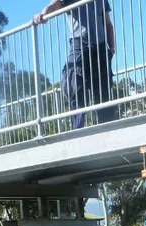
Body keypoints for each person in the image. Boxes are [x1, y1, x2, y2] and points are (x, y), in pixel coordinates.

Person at [34, 0, 118, 129]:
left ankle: (107, 126)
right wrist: (43, 15)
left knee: (103, 89)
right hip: (80, 44)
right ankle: (77, 128)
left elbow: (107, 24)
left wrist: (111, 48)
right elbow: (54, 5)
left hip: (100, 46)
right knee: (75, 84)